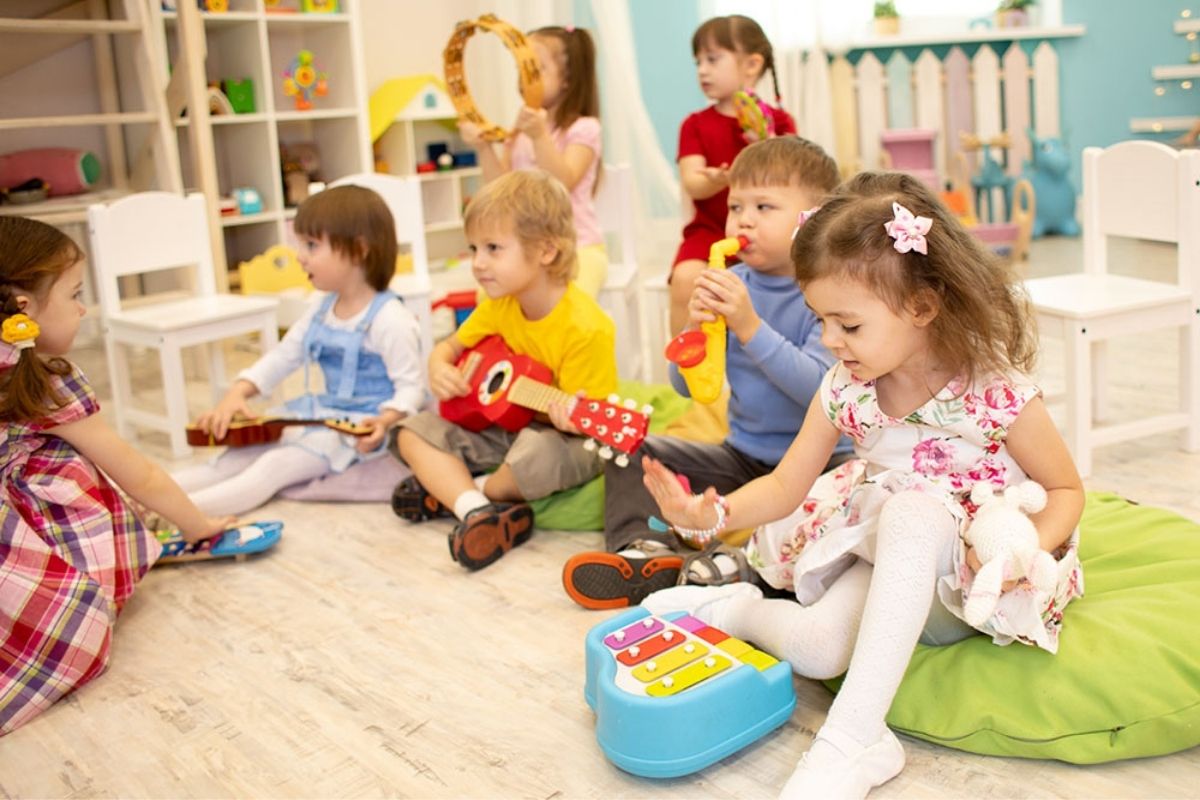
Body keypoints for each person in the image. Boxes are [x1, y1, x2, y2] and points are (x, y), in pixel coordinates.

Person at [638, 171, 1086, 799]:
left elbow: (1066, 490)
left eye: (847, 326)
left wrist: (1025, 549)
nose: (828, 341)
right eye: (821, 321)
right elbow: (787, 486)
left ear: (922, 308)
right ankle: (733, 608)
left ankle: (852, 736)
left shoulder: (995, 391)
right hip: (890, 560)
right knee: (820, 651)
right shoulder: (847, 389)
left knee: (913, 510)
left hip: (975, 580)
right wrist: (706, 514)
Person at [562, 136, 851, 609]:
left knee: (837, 514)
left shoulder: (824, 292)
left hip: (820, 469)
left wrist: (750, 326)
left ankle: (744, 571)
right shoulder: (730, 284)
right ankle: (643, 552)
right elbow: (687, 389)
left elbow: (820, 390)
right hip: (742, 458)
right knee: (631, 449)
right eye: (736, 206)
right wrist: (694, 335)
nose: (745, 219)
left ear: (812, 220)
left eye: (764, 206)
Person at [0, 216, 234, 735]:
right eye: (75, 295)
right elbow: (139, 475)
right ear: (24, 312)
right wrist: (199, 525)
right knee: (73, 465)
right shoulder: (43, 382)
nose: (84, 309)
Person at [389, 169, 618, 571]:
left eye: (493, 248)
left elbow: (591, 424)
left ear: (546, 251)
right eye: (474, 248)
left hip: (563, 437)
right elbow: (449, 346)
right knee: (411, 432)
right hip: (501, 428)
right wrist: (438, 364)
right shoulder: (498, 304)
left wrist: (565, 417)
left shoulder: (587, 327)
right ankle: (478, 511)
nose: (478, 263)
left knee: (537, 452)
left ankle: (461, 492)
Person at [178, 186, 425, 516]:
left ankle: (171, 515)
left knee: (272, 468)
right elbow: (284, 356)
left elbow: (412, 388)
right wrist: (238, 392)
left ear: (359, 250)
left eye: (311, 245)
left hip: (356, 432)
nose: (300, 256)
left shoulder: (391, 318)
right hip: (319, 414)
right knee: (231, 459)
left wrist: (385, 420)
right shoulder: (322, 307)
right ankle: (136, 497)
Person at [669, 14, 797, 336]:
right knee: (686, 278)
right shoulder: (695, 125)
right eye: (698, 61)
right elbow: (692, 182)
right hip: (710, 231)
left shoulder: (780, 123)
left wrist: (765, 143)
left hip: (767, 232)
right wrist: (712, 180)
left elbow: (793, 184)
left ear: (751, 65)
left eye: (712, 59)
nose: (702, 69)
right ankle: (685, 367)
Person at [459, 25, 608, 298]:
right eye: (521, 69)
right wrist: (483, 148)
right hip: (525, 251)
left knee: (571, 301)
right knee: (488, 298)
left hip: (578, 247)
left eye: (536, 70)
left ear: (568, 80)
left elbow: (563, 183)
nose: (524, 79)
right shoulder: (520, 132)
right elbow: (499, 190)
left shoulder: (584, 128)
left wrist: (539, 136)